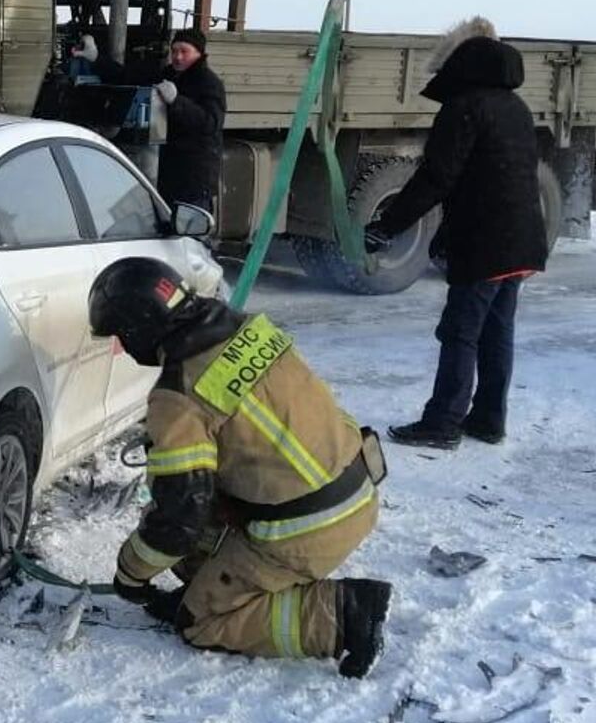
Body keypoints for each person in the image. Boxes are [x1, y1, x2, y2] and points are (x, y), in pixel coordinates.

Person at [88, 256, 393, 679]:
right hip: (355, 484)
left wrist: (131, 574)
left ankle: (342, 616)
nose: (121, 346)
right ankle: (219, 585)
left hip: (307, 528)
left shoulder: (178, 398)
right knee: (201, 546)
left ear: (139, 327)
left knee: (199, 623)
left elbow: (178, 519)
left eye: (120, 336)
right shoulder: (248, 329)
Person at [365, 17, 548, 450]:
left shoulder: (464, 107)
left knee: (460, 331)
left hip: (486, 241)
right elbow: (486, 178)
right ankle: (487, 419)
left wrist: (386, 227)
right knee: (497, 331)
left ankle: (442, 423)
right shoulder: (514, 106)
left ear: (461, 64)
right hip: (521, 239)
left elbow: (437, 177)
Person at [152, 27, 227, 213]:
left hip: (195, 181)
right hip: (170, 177)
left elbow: (211, 122)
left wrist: (177, 101)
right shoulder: (169, 75)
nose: (177, 57)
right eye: (174, 51)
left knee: (192, 234)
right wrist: (98, 60)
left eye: (184, 51)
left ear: (198, 53)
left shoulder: (209, 83)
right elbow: (131, 76)